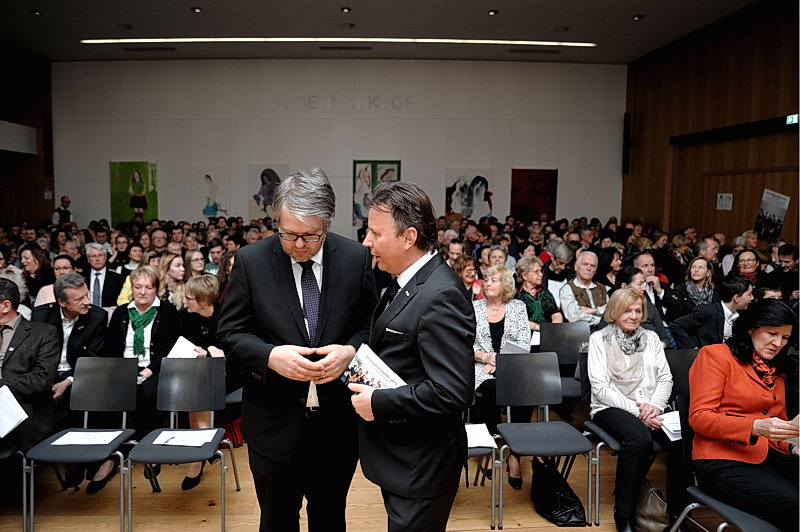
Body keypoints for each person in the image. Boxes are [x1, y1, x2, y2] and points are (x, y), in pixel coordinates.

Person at [217, 168, 377, 532]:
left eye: (309, 235)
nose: (299, 244)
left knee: (329, 519)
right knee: (276, 521)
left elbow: (371, 324)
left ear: (327, 224)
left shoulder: (355, 258)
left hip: (336, 426)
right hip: (272, 423)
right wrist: (270, 357)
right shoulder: (251, 261)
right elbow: (229, 333)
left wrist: (351, 352)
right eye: (288, 234)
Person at [352, 181, 475, 532]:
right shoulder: (404, 280)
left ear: (408, 237)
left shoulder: (440, 295)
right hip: (403, 458)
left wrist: (379, 402)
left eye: (375, 233)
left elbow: (452, 392)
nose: (367, 242)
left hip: (423, 464)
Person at [689, 299, 799, 530]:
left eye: (785, 337)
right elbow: (699, 417)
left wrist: (792, 446)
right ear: (751, 328)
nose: (778, 343)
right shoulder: (715, 355)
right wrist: (754, 426)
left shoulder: (774, 368)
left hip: (766, 457)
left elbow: (776, 427)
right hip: (721, 460)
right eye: (772, 333)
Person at [587, 288, 674, 532]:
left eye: (638, 311)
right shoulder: (599, 339)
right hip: (610, 407)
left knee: (683, 438)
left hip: (651, 406)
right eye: (627, 310)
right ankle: (624, 514)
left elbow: (665, 378)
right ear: (614, 311)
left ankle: (677, 511)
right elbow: (601, 388)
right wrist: (639, 413)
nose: (634, 316)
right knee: (639, 438)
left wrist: (654, 406)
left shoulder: (652, 338)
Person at [93, 266, 179, 493]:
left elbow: (169, 349)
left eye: (148, 287)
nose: (142, 292)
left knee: (147, 392)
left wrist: (146, 372)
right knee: (106, 393)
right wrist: (123, 372)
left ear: (156, 289)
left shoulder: (167, 311)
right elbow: (111, 347)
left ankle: (149, 451)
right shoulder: (122, 312)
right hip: (123, 368)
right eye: (138, 287)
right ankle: (110, 457)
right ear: (131, 288)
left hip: (154, 369)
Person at [472, 265, 531, 489]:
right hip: (481, 367)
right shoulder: (474, 307)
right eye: (486, 280)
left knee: (523, 391)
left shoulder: (518, 307)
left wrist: (499, 361)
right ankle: (489, 449)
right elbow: (464, 343)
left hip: (512, 365)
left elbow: (524, 343)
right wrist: (485, 357)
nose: (487, 283)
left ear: (505, 284)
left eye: (493, 280)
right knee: (489, 389)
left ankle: (515, 454)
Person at [178, 274, 225, 490]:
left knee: (198, 387)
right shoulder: (187, 316)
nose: (185, 301)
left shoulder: (224, 316)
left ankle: (199, 454)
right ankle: (203, 445)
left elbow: (232, 349)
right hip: (198, 371)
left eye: (189, 298)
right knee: (194, 385)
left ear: (204, 301)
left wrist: (213, 352)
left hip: (227, 371)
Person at [669, 276, 753, 349]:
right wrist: (693, 349)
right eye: (749, 294)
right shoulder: (707, 311)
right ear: (736, 298)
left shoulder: (742, 316)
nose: (752, 298)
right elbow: (675, 325)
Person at [515, 256, 563, 338]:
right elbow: (517, 321)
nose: (541, 274)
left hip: (548, 336)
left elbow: (556, 314)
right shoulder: (516, 296)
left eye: (540, 271)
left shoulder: (545, 294)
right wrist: (539, 328)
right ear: (524, 276)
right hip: (524, 338)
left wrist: (553, 327)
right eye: (536, 272)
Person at [560, 251, 607, 327]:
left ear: (595, 270)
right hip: (578, 332)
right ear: (576, 267)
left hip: (604, 331)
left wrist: (595, 311)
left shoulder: (602, 288)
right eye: (585, 264)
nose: (588, 268)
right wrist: (601, 320)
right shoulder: (567, 289)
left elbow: (611, 311)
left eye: (592, 266)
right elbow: (573, 316)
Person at [664, 256, 720, 322]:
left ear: (708, 272)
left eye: (700, 267)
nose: (696, 270)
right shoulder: (681, 289)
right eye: (693, 267)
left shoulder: (715, 291)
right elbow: (675, 313)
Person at [84, 242, 124, 311]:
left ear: (105, 257)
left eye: (100, 255)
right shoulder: (82, 277)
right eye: (93, 256)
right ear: (88, 259)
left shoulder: (117, 278)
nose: (97, 259)